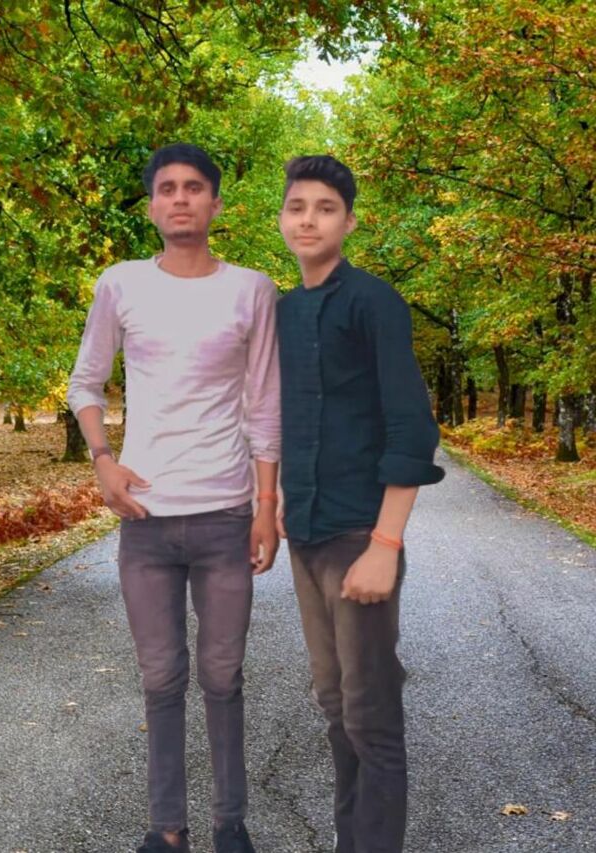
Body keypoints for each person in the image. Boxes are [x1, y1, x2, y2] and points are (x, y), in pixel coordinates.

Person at [67, 143, 280, 853]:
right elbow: (85, 382)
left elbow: (265, 404)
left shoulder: (252, 289)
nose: (180, 198)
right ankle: (167, 829)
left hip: (225, 515)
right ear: (153, 205)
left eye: (193, 187)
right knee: (161, 678)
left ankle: (230, 824)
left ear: (215, 203)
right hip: (147, 522)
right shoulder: (121, 284)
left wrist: (267, 506)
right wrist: (103, 461)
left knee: (222, 676)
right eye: (166, 188)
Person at [276, 155, 445, 853]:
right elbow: (283, 418)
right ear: (282, 219)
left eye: (325, 208)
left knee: (371, 711)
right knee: (334, 702)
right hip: (306, 534)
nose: (308, 219)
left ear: (348, 221)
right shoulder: (284, 311)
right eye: (297, 206)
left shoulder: (375, 302)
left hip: (359, 534)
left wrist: (386, 544)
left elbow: (412, 429)